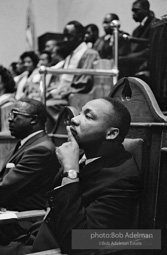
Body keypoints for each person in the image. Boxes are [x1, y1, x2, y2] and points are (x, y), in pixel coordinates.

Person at [32, 97, 142, 255]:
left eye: (88, 117)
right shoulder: (81, 155)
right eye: (80, 113)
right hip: (37, 236)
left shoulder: (123, 180)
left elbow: (80, 242)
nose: (74, 120)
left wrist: (70, 170)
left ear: (111, 133)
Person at [0, 98, 60, 245]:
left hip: (22, 222)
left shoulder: (40, 150)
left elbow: (5, 188)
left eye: (15, 115)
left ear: (33, 120)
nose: (9, 120)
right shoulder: (28, 143)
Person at [45, 20, 100, 132]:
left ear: (80, 36)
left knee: (47, 105)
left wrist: (65, 91)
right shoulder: (71, 55)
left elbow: (85, 82)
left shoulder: (90, 54)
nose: (65, 40)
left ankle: (62, 133)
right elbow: (62, 78)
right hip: (64, 93)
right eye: (64, 36)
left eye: (68, 36)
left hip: (77, 95)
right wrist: (55, 89)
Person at [118, 0, 159, 80]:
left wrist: (129, 57)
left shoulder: (155, 25)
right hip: (137, 59)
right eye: (132, 11)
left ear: (146, 9)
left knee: (121, 61)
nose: (133, 14)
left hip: (148, 61)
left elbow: (151, 49)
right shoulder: (137, 30)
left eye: (136, 11)